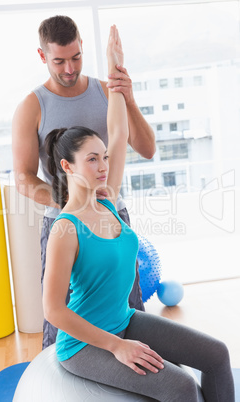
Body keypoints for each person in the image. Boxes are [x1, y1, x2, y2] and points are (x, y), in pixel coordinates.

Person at [42, 25, 235, 402]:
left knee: (217, 356)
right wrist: (116, 346)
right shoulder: (66, 229)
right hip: (85, 345)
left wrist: (116, 69)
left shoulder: (108, 199)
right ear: (67, 166)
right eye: (92, 159)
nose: (102, 166)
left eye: (105, 159)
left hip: (124, 320)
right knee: (180, 388)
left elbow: (117, 131)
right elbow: (52, 310)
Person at [12, 15, 156, 350]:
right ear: (42, 55)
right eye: (58, 60)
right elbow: (22, 176)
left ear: (82, 49)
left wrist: (126, 95)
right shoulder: (32, 106)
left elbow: (142, 147)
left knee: (128, 311)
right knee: (61, 321)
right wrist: (75, 207)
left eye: (75, 58)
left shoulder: (106, 92)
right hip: (64, 223)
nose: (68, 69)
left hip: (111, 214)